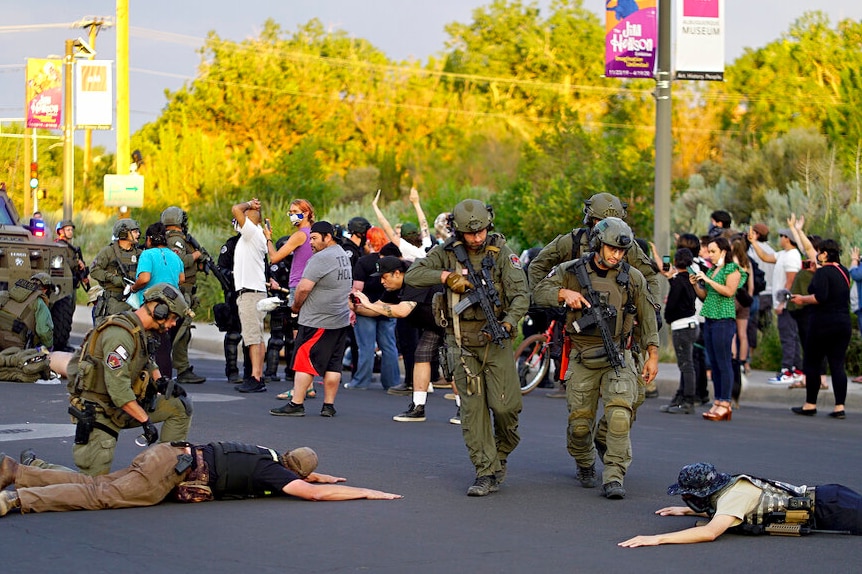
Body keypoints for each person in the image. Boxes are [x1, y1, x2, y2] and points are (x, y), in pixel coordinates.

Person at [405, 199, 529, 496]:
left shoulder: (501, 253)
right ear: (459, 232)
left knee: (505, 408)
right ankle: (484, 471)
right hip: (460, 343)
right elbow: (412, 276)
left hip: (496, 340)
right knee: (473, 413)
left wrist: (509, 324)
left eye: (482, 231)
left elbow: (521, 295)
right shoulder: (446, 253)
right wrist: (445, 277)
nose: (477, 238)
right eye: (471, 234)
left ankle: (501, 451)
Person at [533, 217, 659, 500]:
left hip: (618, 355)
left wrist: (652, 354)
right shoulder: (570, 271)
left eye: (622, 251)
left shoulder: (633, 278)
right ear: (599, 245)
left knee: (618, 416)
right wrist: (562, 293)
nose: (617, 255)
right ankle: (585, 460)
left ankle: (614, 474)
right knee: (579, 427)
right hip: (583, 357)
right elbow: (538, 292)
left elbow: (648, 318)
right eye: (612, 249)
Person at [0, 443, 402, 517]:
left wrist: (324, 473)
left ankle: (15, 472)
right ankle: (18, 500)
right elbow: (313, 492)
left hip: (168, 453)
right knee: (101, 497)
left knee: (96, 483)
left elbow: (309, 474)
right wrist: (366, 492)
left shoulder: (266, 455)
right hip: (170, 472)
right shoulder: (274, 472)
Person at [65, 283, 194, 476]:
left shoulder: (140, 331)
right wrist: (145, 421)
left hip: (121, 407)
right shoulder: (119, 335)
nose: (173, 323)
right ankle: (32, 470)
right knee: (91, 486)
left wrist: (160, 381)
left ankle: (164, 471)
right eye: (173, 317)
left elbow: (147, 360)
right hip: (100, 411)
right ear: (160, 311)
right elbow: (118, 391)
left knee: (179, 406)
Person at [618, 462, 862, 547]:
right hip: (828, 499)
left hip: (830, 506)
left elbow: (710, 533)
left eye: (689, 495)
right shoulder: (730, 486)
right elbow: (722, 510)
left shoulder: (734, 497)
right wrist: (687, 510)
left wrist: (657, 538)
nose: (686, 498)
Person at [269, 221, 352, 418]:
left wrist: (295, 307)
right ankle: (328, 406)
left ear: (328, 237)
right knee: (333, 364)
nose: (310, 243)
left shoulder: (321, 258)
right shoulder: (342, 254)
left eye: (314, 238)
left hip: (317, 320)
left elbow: (304, 288)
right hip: (339, 319)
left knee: (304, 361)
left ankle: (297, 403)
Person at [351, 256, 446, 421]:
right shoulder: (392, 288)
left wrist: (368, 304)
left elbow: (402, 311)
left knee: (455, 364)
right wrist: (356, 308)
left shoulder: (414, 280)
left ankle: (464, 411)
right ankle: (418, 407)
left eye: (384, 277)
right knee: (421, 356)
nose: (382, 281)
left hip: (452, 323)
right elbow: (377, 309)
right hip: (433, 324)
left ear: (397, 273)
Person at [790, 238, 852, 419]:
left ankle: (810, 404)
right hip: (843, 322)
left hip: (822, 323)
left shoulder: (823, 273)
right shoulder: (843, 271)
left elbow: (820, 297)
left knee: (813, 363)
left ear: (824, 254)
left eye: (819, 251)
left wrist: (802, 299)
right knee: (838, 365)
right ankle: (839, 406)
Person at [689, 236, 742, 422]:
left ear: (724, 251)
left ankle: (725, 402)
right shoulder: (712, 270)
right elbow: (706, 296)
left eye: (713, 251)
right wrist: (696, 284)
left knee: (723, 361)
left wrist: (709, 281)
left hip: (724, 319)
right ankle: (718, 399)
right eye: (708, 251)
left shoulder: (732, 269)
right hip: (710, 318)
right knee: (715, 363)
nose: (709, 255)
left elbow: (729, 291)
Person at [347, 228, 400, 391]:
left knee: (366, 347)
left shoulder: (364, 262)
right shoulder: (395, 263)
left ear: (368, 241)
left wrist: (352, 309)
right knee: (389, 346)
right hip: (387, 306)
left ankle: (361, 381)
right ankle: (392, 382)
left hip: (366, 308)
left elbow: (357, 289)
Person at [130, 222, 185, 375]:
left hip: (153, 308)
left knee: (148, 346)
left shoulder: (147, 255)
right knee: (164, 347)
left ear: (149, 240)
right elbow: (182, 279)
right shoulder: (174, 256)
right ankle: (166, 381)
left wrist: (133, 288)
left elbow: (144, 278)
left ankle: (152, 382)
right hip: (172, 306)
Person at [750, 226, 803, 384]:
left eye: (781, 236)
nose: (780, 238)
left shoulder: (792, 256)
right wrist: (753, 242)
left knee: (788, 337)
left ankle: (788, 370)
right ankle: (795, 369)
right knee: (789, 336)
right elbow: (766, 257)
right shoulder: (783, 254)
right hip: (783, 304)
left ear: (787, 238)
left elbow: (791, 281)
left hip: (787, 305)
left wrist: (783, 302)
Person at [161, 206, 206, 384]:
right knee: (181, 330)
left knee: (183, 332)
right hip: (181, 291)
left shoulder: (174, 238)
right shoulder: (176, 239)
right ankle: (180, 367)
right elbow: (177, 261)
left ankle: (181, 366)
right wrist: (196, 255)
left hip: (182, 290)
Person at [231, 198, 270, 393]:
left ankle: (255, 377)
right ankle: (258, 374)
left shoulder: (252, 232)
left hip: (250, 293)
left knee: (253, 337)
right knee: (258, 336)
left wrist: (248, 204)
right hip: (254, 291)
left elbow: (236, 208)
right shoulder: (255, 236)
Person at [660, 248, 699, 414]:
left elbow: (671, 305)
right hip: (692, 324)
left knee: (686, 365)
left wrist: (667, 317)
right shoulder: (691, 278)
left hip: (681, 326)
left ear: (676, 261)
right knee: (687, 363)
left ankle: (688, 399)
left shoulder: (678, 282)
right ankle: (681, 396)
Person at [214, 220, 251, 384]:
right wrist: (233, 276)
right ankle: (232, 371)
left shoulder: (255, 243)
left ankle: (251, 371)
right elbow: (220, 269)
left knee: (251, 336)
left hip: (252, 292)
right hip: (233, 293)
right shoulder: (232, 244)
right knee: (233, 334)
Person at [90, 218, 142, 318]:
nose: (138, 234)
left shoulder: (139, 253)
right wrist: (112, 278)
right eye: (135, 232)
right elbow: (94, 270)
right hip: (113, 301)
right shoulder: (108, 251)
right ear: (123, 233)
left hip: (134, 300)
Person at [53, 219, 90, 351]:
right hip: (63, 286)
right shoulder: (58, 246)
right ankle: (60, 343)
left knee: (69, 313)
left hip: (73, 284)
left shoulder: (71, 247)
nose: (70, 232)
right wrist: (76, 263)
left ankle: (64, 341)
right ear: (60, 231)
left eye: (71, 229)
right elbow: (61, 261)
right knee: (63, 314)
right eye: (68, 229)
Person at [0, 272, 54, 351]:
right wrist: (48, 346)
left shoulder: (6, 294)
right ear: (45, 290)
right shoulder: (39, 303)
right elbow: (43, 331)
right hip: (16, 348)